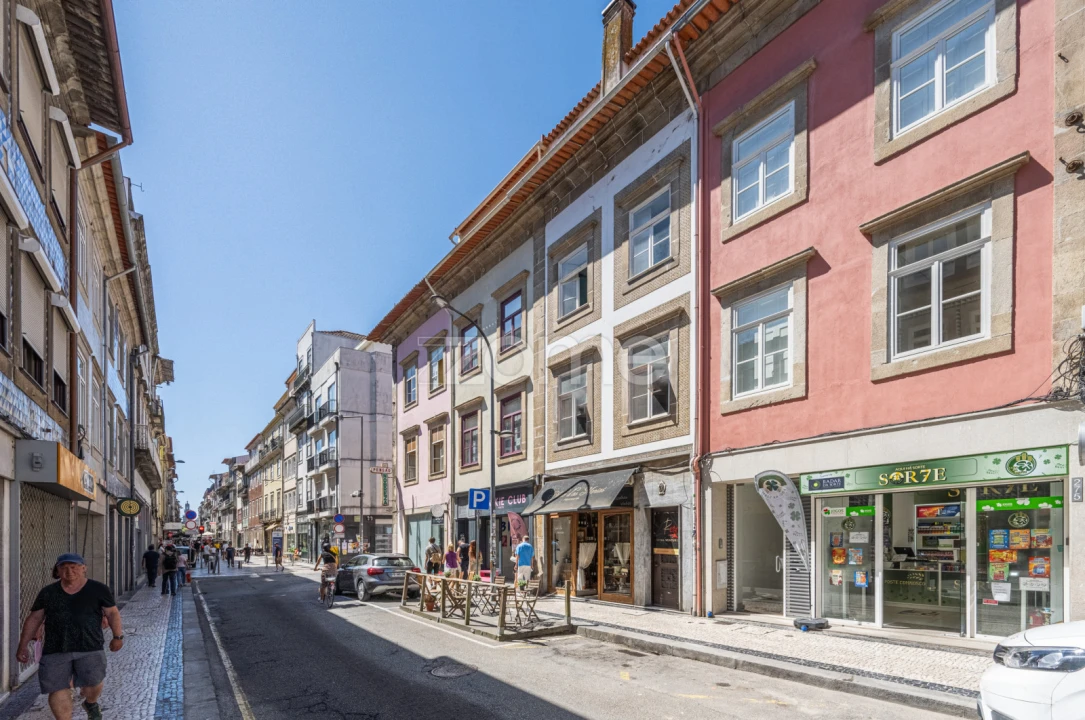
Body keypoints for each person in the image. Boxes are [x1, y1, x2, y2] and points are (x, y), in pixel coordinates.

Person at [16, 554, 123, 720]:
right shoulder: (48, 592)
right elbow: (35, 618)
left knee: (93, 685)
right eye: (64, 567)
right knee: (58, 689)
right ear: (57, 570)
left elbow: (112, 612)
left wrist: (118, 636)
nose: (69, 571)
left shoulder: (98, 589)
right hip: (55, 648)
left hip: (90, 646)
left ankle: (91, 702)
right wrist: (23, 645)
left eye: (73, 567)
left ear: (83, 568)